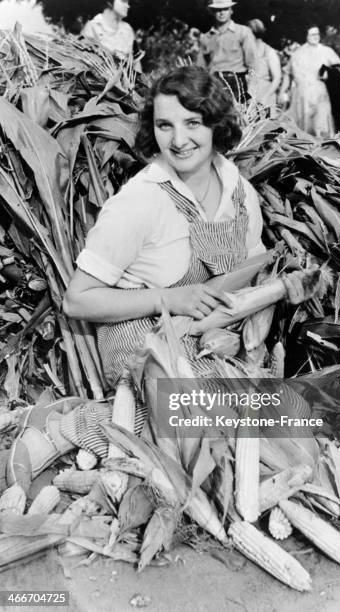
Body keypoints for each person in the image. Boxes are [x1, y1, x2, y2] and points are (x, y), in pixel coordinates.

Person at [4, 67, 318, 490]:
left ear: (216, 126)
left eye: (193, 123)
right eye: (164, 125)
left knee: (285, 413)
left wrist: (282, 288)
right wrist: (172, 299)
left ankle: (116, 419)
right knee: (207, 415)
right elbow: (77, 301)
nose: (179, 139)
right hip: (140, 334)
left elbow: (250, 268)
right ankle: (66, 428)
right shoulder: (141, 200)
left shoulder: (240, 191)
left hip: (210, 332)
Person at [278, 26, 340, 138]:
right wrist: (282, 92)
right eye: (312, 34)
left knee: (321, 127)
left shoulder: (326, 51)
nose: (316, 37)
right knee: (304, 128)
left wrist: (329, 74)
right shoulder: (297, 53)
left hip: (320, 94)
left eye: (317, 34)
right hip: (301, 96)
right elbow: (288, 74)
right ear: (306, 36)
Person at [199, 0, 257, 102]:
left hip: (236, 82)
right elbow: (201, 68)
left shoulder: (243, 32)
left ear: (231, 11)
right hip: (214, 83)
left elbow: (252, 64)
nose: (221, 13)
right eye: (217, 10)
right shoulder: (206, 37)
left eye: (225, 9)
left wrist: (251, 92)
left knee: (235, 115)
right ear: (212, 12)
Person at [247, 18, 281, 118]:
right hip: (249, 94)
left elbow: (277, 78)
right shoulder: (246, 51)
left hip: (264, 94)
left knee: (264, 129)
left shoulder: (269, 51)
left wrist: (265, 97)